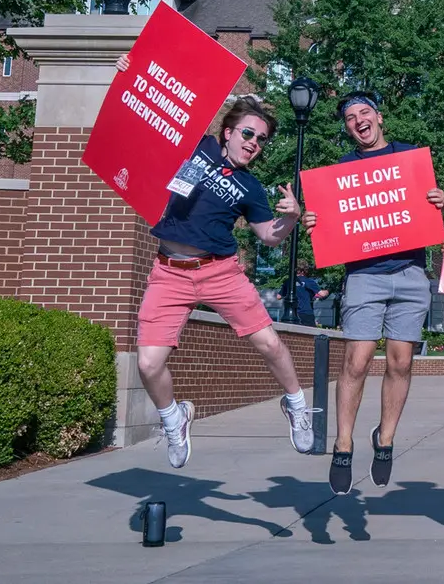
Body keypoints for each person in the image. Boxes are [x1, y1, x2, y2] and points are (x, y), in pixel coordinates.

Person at [131, 92, 315, 469]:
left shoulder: (249, 187)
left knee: (269, 343)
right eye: (248, 134)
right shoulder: (198, 148)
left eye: (261, 140)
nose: (254, 144)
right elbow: (156, 110)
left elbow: (268, 236)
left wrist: (293, 217)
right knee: (148, 364)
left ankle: (296, 404)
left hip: (220, 272)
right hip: (169, 273)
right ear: (228, 132)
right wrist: (126, 71)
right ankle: (173, 418)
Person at [300, 91, 444, 494]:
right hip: (365, 274)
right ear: (347, 128)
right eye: (350, 117)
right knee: (357, 360)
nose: (358, 121)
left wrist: (441, 200)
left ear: (380, 118)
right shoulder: (342, 171)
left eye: (364, 113)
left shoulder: (410, 159)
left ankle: (384, 439)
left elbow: (432, 208)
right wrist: (312, 218)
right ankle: (343, 444)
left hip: (411, 273)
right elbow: (328, 224)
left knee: (400, 362)